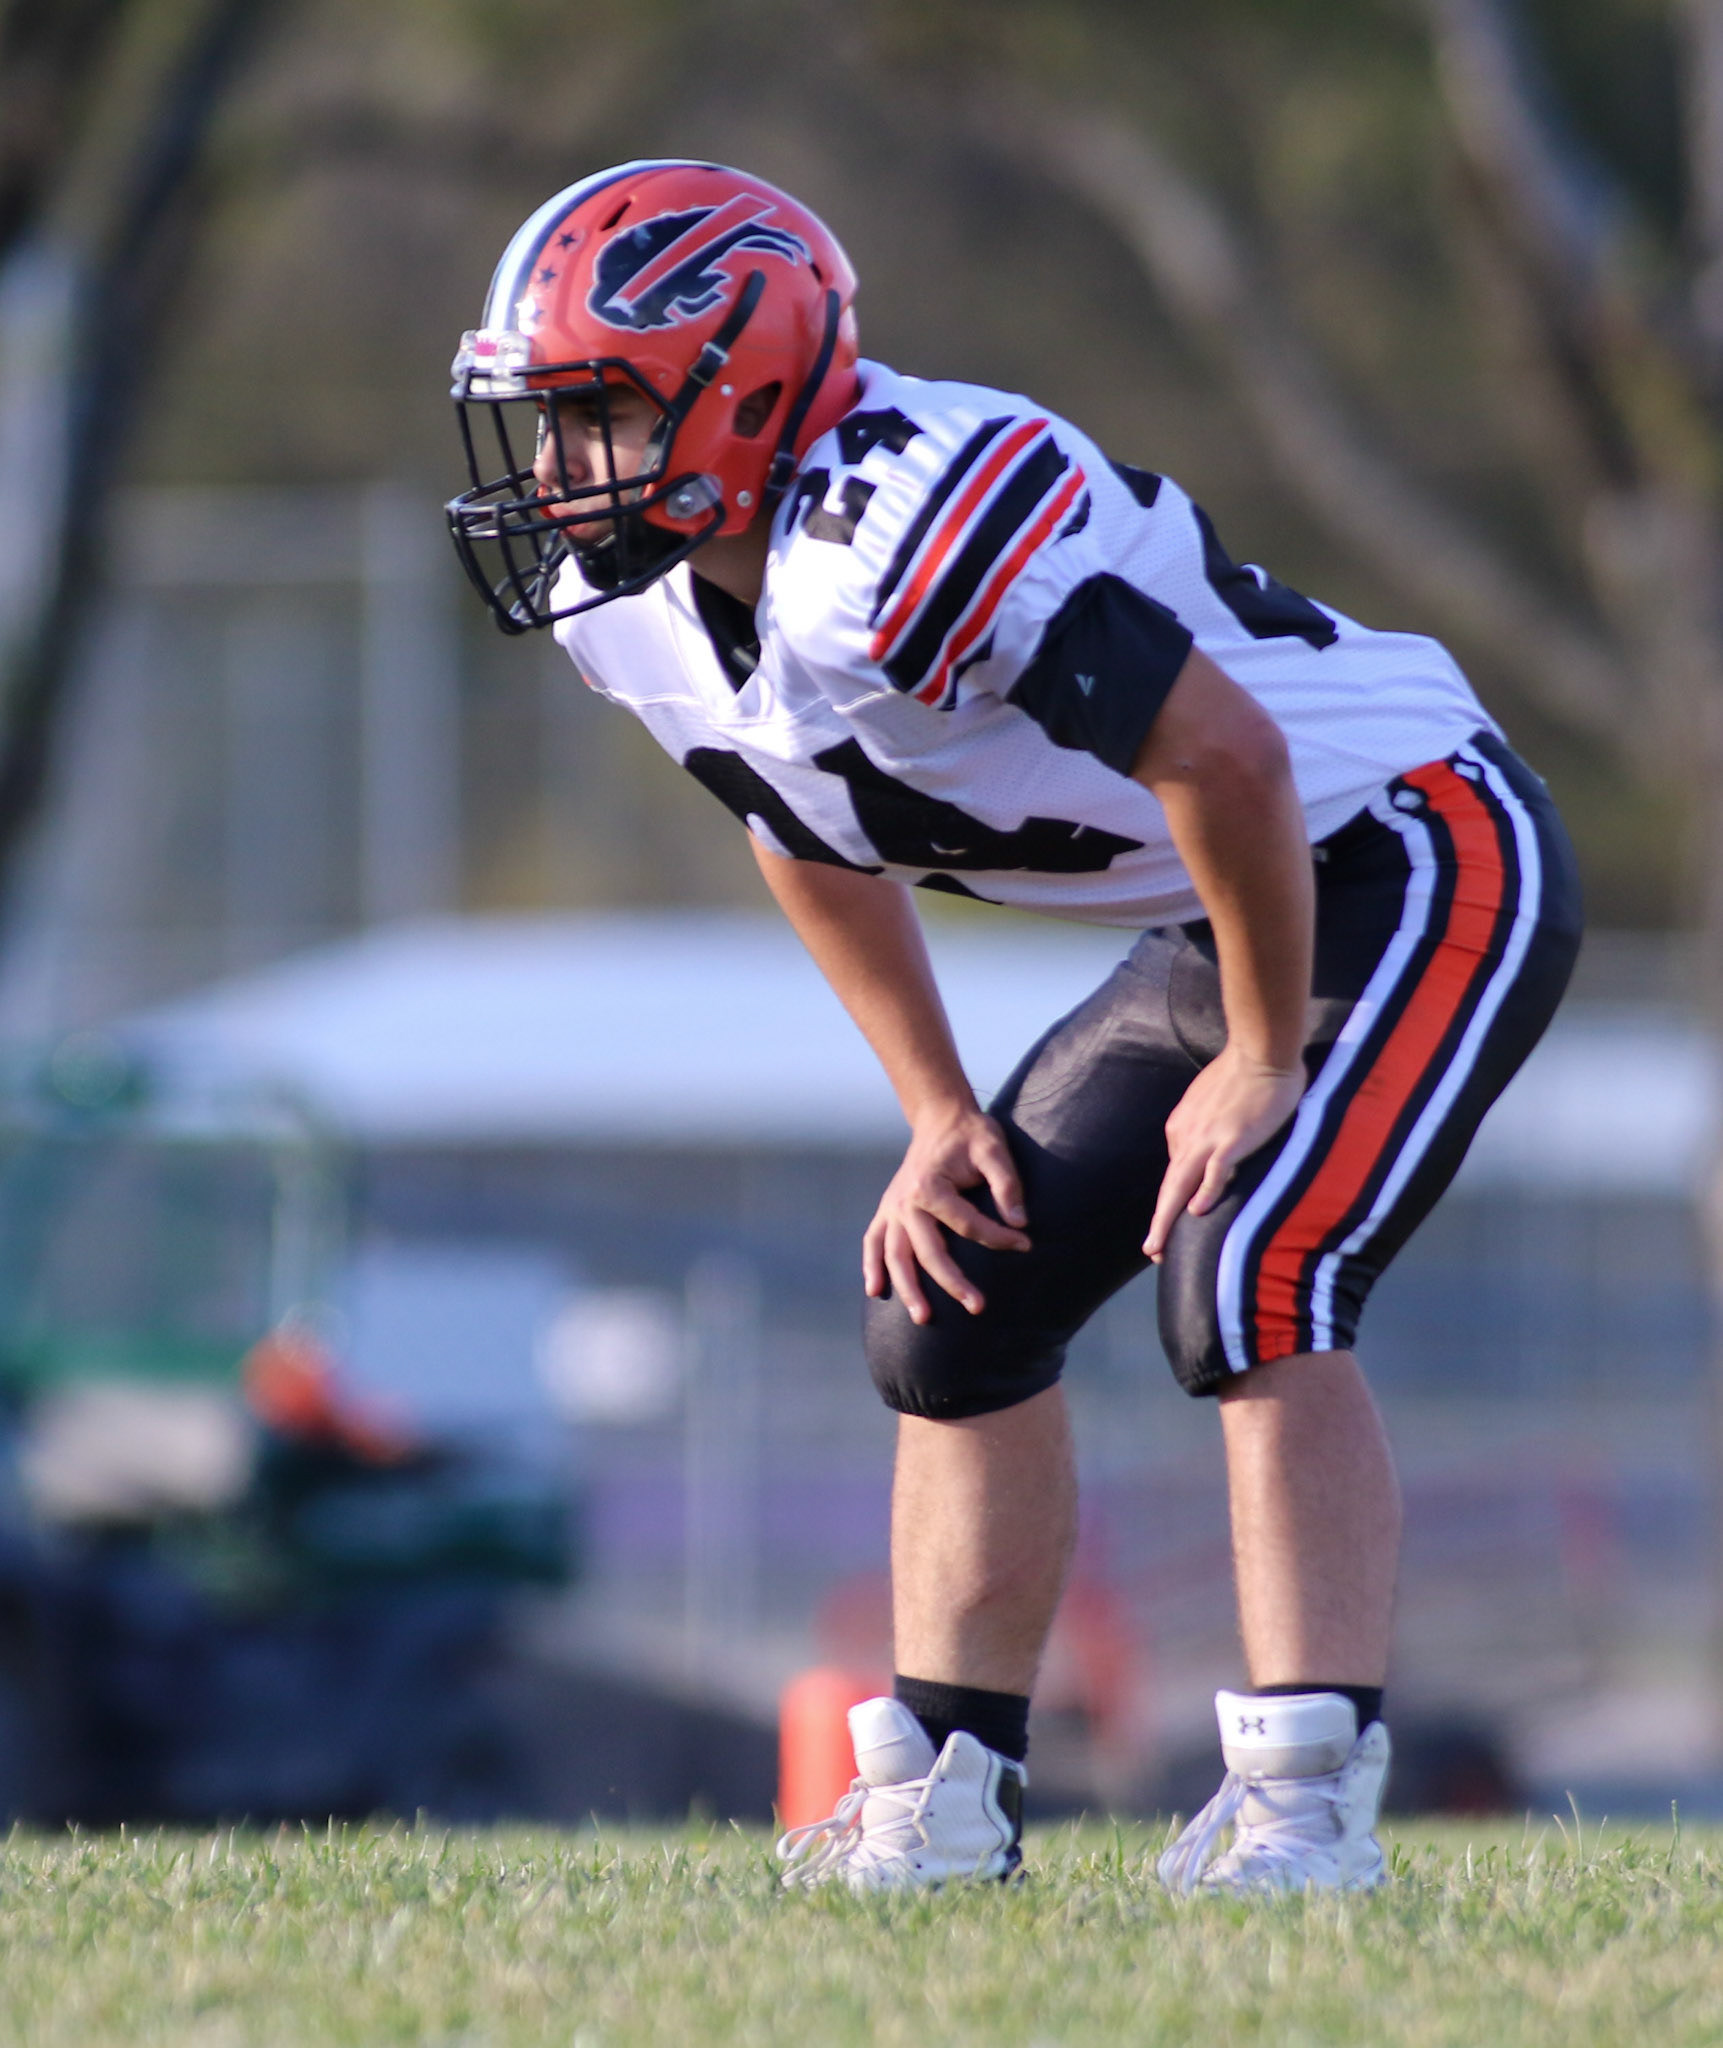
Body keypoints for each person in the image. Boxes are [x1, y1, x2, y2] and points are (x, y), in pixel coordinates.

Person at [447, 160, 1582, 1894]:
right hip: (1228, 896)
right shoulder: (641, 602)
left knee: (1255, 1260)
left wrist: (1264, 1056)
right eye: (545, 420)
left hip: (1416, 841)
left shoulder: (906, 528)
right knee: (951, 1301)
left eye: (596, 411)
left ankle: (1304, 1802)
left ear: (741, 390)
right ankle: (948, 1796)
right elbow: (793, 818)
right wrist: (932, 1106)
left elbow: (1231, 760)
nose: (554, 472)